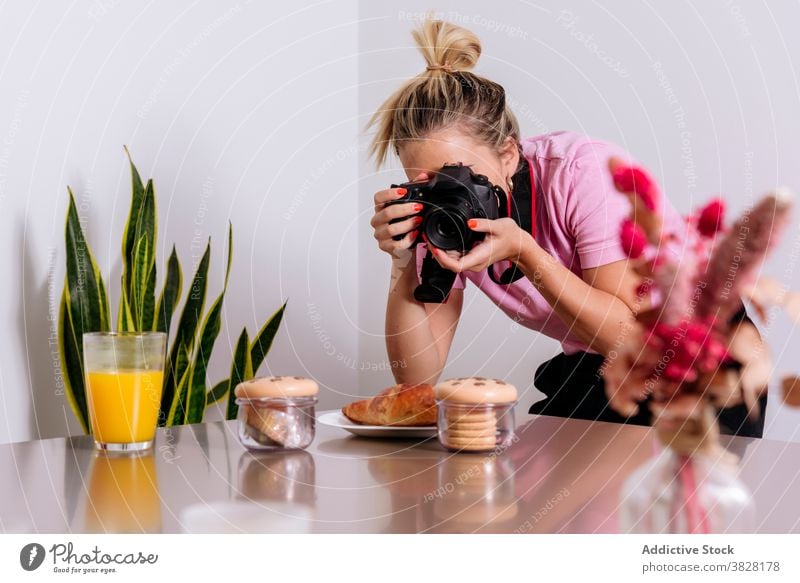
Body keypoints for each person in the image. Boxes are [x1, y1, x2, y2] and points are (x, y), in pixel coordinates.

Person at [367, 18, 766, 437]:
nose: (448, 194)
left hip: (704, 356)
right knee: (532, 478)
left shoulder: (583, 173)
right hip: (602, 363)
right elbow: (417, 378)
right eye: (426, 182)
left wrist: (526, 253)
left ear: (507, 154)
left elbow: (633, 337)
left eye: (459, 175)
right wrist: (403, 265)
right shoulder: (441, 218)